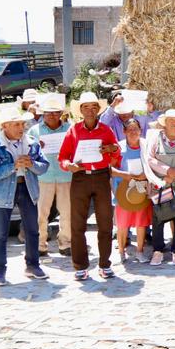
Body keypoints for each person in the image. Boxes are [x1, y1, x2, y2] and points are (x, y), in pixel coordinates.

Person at [57, 92, 122, 281]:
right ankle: (80, 267)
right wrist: (68, 165)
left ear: (98, 109)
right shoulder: (74, 131)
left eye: (94, 107)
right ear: (80, 110)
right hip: (80, 178)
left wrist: (112, 149)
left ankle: (105, 265)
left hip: (101, 177)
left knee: (105, 223)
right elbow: (63, 157)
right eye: (86, 107)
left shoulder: (106, 130)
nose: (90, 110)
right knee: (77, 224)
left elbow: (117, 153)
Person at [0, 107, 49, 285]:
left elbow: (44, 167)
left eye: (22, 124)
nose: (21, 128)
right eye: (16, 124)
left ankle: (33, 266)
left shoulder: (31, 142)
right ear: (5, 126)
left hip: (28, 189)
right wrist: (13, 166)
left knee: (32, 230)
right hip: (2, 193)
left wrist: (31, 164)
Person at [142, 110, 175, 267]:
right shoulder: (155, 137)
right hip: (161, 182)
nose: (173, 123)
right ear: (164, 123)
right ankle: (158, 251)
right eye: (170, 120)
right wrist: (167, 171)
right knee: (158, 217)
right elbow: (149, 158)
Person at [28, 94, 71, 258]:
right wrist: (36, 148)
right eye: (48, 112)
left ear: (60, 113)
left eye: (55, 112)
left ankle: (65, 243)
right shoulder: (34, 131)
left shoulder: (69, 129)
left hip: (65, 176)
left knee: (67, 212)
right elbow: (28, 153)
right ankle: (40, 245)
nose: (52, 115)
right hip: (43, 177)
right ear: (43, 113)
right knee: (41, 213)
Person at [111, 119, 150, 263]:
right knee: (122, 224)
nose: (133, 132)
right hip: (123, 191)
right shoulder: (118, 148)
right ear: (124, 132)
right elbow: (110, 169)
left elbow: (153, 164)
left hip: (141, 190)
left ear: (140, 130)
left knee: (141, 222)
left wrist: (146, 174)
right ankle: (121, 252)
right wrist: (124, 175)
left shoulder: (146, 146)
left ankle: (140, 252)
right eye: (130, 129)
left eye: (136, 129)